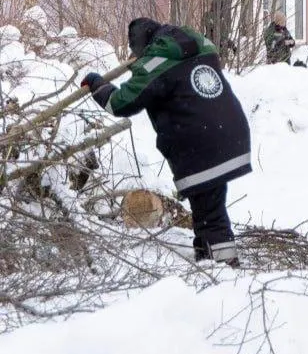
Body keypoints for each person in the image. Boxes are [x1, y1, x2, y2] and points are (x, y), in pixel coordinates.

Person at [80, 17, 252, 265]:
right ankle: (207, 258)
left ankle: (225, 267)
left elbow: (121, 103)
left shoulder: (155, 63)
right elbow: (173, 73)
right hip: (229, 133)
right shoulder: (198, 44)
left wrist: (97, 84)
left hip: (199, 145)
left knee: (209, 211)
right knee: (208, 205)